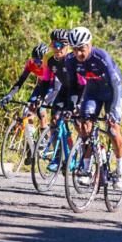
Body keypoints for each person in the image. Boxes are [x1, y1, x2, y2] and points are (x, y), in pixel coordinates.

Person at [65, 26, 122, 190]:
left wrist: (113, 111)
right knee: (85, 127)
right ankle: (86, 168)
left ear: (90, 44)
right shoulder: (70, 60)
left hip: (112, 90)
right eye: (75, 49)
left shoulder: (101, 57)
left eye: (82, 49)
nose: (79, 54)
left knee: (113, 130)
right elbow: (74, 87)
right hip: (93, 91)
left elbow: (115, 85)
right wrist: (72, 107)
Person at [0, 42, 51, 164]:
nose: (37, 64)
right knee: (29, 113)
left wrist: (42, 101)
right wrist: (10, 94)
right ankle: (31, 149)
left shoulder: (50, 65)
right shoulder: (30, 64)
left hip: (51, 87)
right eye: (35, 61)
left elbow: (53, 86)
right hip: (40, 86)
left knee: (41, 110)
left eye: (40, 62)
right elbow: (20, 81)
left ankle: (45, 140)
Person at [43, 29, 85, 172]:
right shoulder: (50, 61)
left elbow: (84, 84)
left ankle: (84, 158)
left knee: (80, 124)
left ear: (67, 46)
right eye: (54, 44)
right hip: (65, 90)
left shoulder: (73, 61)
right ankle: (58, 155)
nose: (56, 48)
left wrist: (79, 104)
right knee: (55, 121)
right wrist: (37, 99)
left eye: (60, 45)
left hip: (81, 91)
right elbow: (43, 83)